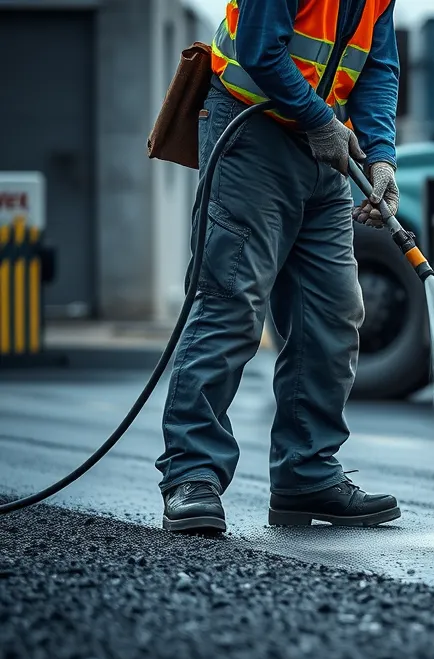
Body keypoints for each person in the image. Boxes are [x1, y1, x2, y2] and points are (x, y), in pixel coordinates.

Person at [156, 0, 402, 534]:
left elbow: (378, 66)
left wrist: (381, 154)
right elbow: (260, 49)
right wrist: (320, 120)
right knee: (231, 301)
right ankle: (192, 473)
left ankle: (306, 474)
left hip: (324, 150)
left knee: (333, 313)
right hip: (253, 134)